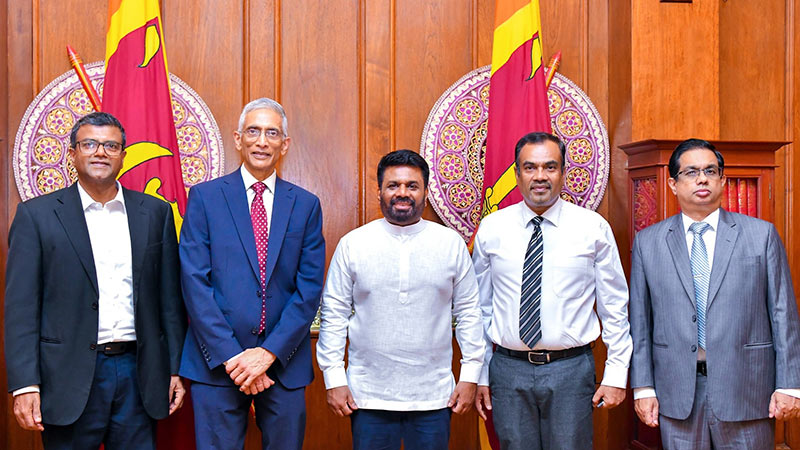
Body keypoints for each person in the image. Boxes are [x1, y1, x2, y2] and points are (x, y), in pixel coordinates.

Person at [4, 111, 187, 449]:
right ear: (73, 153)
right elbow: (21, 309)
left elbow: (169, 301)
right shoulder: (37, 216)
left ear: (123, 155)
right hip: (67, 376)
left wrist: (174, 368)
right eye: (89, 144)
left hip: (139, 374)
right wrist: (25, 383)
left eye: (110, 145)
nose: (100, 152)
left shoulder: (154, 213)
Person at [629, 138, 800, 448]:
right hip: (678, 392)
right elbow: (640, 324)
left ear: (722, 180)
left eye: (710, 170)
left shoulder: (760, 235)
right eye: (691, 172)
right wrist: (642, 388)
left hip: (747, 390)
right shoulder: (648, 243)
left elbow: (783, 314)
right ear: (673, 184)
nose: (702, 178)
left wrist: (790, 385)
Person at [179, 98, 325, 450]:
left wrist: (267, 354)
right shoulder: (204, 198)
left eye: (272, 133)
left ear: (284, 144)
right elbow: (194, 283)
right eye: (253, 131)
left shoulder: (305, 205)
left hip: (283, 364)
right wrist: (234, 357)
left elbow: (308, 290)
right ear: (237, 139)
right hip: (217, 364)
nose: (262, 141)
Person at [472, 132, 632, 449]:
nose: (540, 176)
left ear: (563, 172)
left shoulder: (593, 228)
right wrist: (479, 373)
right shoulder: (493, 228)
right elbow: (479, 308)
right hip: (508, 371)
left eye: (550, 167)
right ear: (516, 174)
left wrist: (615, 374)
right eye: (530, 167)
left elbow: (615, 306)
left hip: (571, 371)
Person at [316, 149, 484, 449]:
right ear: (380, 190)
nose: (402, 193)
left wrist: (471, 375)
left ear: (425, 192)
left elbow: (471, 312)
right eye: (393, 185)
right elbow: (334, 314)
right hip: (367, 396)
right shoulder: (354, 244)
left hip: (434, 397)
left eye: (412, 186)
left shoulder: (450, 244)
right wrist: (334, 378)